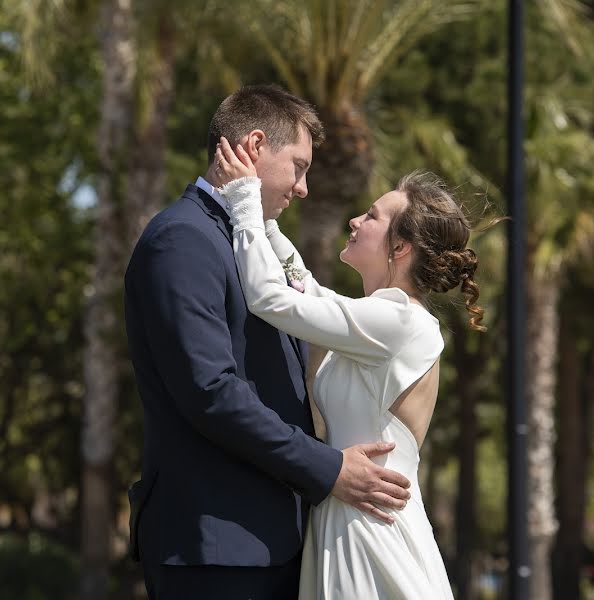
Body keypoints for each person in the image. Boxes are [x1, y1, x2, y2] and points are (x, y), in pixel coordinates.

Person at [124, 85, 413, 600]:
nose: (303, 187)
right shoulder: (184, 239)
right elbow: (211, 390)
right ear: (255, 146)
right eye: (298, 166)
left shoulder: (247, 242)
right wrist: (329, 469)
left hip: (270, 543)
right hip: (215, 546)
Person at [212, 137, 489, 598]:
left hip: (372, 529)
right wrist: (264, 216)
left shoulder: (400, 321)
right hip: (346, 518)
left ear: (400, 247)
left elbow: (271, 298)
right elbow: (307, 291)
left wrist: (243, 202)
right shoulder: (380, 316)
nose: (356, 221)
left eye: (373, 216)